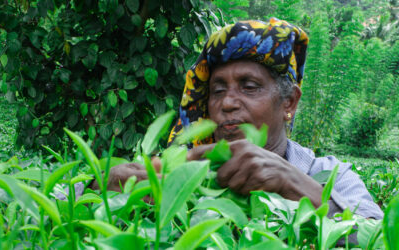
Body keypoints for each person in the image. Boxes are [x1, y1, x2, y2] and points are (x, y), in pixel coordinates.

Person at [92, 18, 383, 220]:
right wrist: (104, 189)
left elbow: (376, 234)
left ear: (289, 102)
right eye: (217, 90)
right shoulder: (182, 169)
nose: (227, 103)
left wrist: (291, 184)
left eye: (249, 87)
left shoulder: (330, 175)